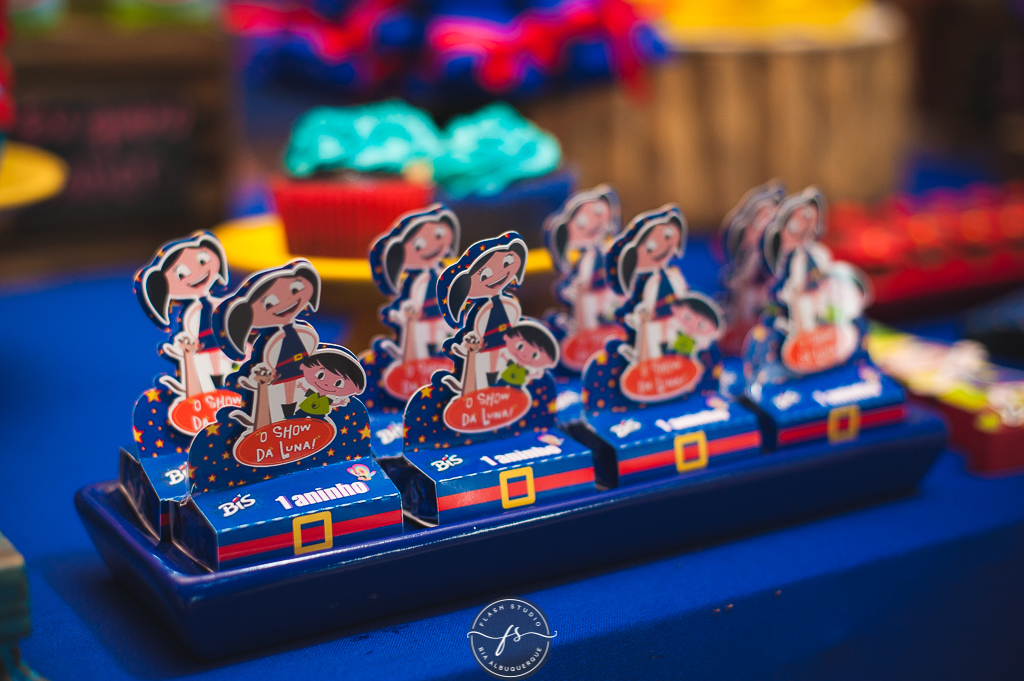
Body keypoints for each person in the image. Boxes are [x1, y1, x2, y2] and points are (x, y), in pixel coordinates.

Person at [221, 261, 322, 424]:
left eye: (295, 289)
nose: (287, 301)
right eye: (268, 303)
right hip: (279, 378)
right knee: (282, 404)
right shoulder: (269, 343)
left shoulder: (305, 334)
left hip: (307, 377)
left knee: (304, 399)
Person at [136, 232, 236, 396]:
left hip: (226, 352)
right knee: (210, 388)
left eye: (203, 261)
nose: (197, 272)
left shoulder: (220, 304)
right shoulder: (191, 314)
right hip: (203, 355)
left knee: (231, 379)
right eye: (181, 274)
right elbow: (189, 336)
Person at [372, 205, 460, 360]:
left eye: (439, 235)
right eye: (418, 245)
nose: (433, 245)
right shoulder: (415, 281)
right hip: (422, 322)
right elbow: (409, 301)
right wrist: (401, 314)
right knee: (422, 350)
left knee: (447, 346)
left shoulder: (445, 273)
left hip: (445, 321)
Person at [443, 238, 528, 394]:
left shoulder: (510, 305)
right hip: (485, 350)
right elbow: (477, 330)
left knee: (509, 376)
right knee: (483, 380)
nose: (501, 273)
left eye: (507, 262)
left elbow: (516, 322)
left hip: (508, 349)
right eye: (484, 275)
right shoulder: (481, 311)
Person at [612, 206, 688, 361]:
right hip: (654, 323)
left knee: (678, 344)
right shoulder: (646, 283)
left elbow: (684, 296)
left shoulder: (674, 275)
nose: (662, 246)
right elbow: (636, 304)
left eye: (668, 235)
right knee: (654, 344)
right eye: (650, 247)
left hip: (676, 319)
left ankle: (681, 360)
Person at [546, 185, 621, 330]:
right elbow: (576, 285)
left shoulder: (607, 252)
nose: (594, 223)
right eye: (581, 223)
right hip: (589, 306)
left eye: (599, 212)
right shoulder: (586, 260)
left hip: (610, 301)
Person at [296, 348, 367, 416]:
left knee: (320, 419)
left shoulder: (326, 399)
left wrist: (340, 402)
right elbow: (306, 391)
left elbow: (332, 404)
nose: (326, 384)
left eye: (338, 383)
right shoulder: (313, 394)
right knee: (300, 414)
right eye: (320, 375)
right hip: (306, 408)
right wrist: (301, 386)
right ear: (303, 366)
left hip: (321, 412)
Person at [492, 323, 559, 387]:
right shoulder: (513, 364)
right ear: (506, 337)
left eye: (534, 355)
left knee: (516, 390)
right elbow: (508, 361)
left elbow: (529, 374)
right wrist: (503, 356)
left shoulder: (525, 370)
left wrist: (535, 374)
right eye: (520, 346)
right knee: (500, 384)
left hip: (518, 383)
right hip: (505, 378)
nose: (524, 355)